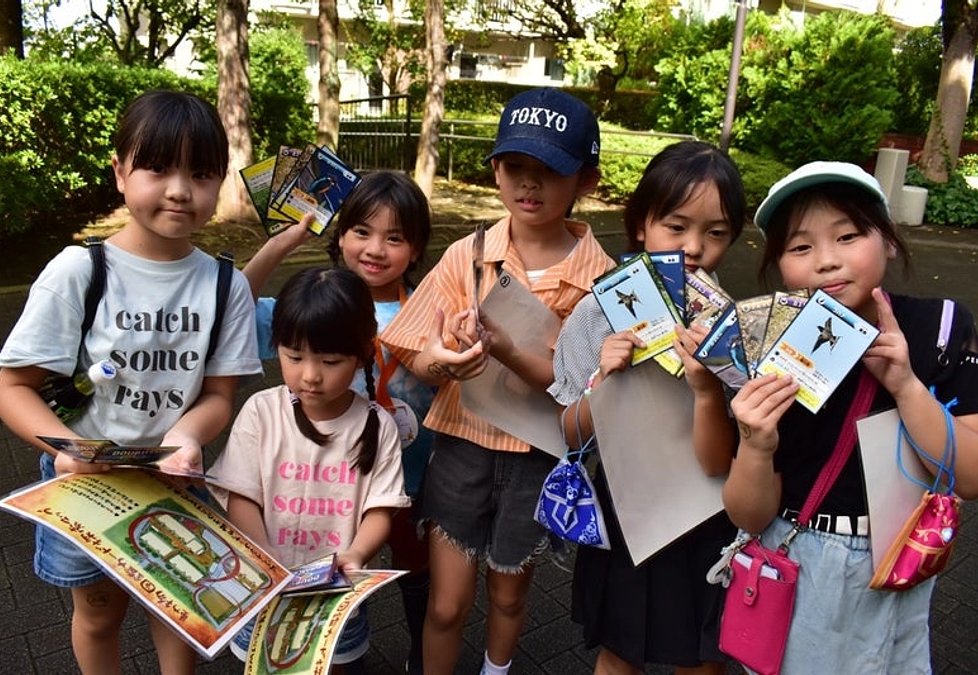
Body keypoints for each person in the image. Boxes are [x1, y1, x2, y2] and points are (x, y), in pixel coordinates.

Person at [0, 90, 263, 674]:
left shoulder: (225, 285)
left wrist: (188, 436)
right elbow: (11, 390)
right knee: (98, 614)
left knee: (178, 613)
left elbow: (218, 397)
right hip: (83, 482)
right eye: (157, 167)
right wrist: (70, 451)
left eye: (201, 173)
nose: (179, 189)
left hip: (174, 481)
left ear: (220, 184)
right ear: (119, 172)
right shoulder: (79, 271)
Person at [379, 87, 615, 675]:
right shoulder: (470, 253)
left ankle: (497, 668)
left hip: (537, 456)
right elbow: (413, 347)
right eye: (516, 168)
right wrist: (445, 360)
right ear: (495, 171)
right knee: (447, 602)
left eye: (549, 171)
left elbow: (584, 390)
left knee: (509, 594)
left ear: (585, 180)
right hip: (461, 445)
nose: (529, 185)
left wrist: (507, 351)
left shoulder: (603, 280)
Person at [724, 161, 978, 673]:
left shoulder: (941, 327)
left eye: (848, 235)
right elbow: (748, 516)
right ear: (780, 265)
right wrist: (755, 444)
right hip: (799, 559)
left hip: (902, 557)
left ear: (887, 239)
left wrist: (906, 385)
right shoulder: (772, 349)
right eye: (800, 247)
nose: (826, 261)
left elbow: (969, 476)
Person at [548, 141, 746, 675]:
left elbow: (724, 459)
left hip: (707, 512)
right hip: (626, 507)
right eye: (676, 226)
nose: (694, 247)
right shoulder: (597, 311)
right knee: (619, 652)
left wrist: (707, 388)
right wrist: (603, 383)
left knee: (702, 657)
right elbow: (567, 433)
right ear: (640, 224)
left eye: (716, 232)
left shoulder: (734, 326)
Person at [242, 170, 436, 674]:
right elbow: (234, 306)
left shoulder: (431, 310)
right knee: (346, 571)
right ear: (340, 234)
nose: (375, 249)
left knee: (417, 571)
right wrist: (282, 246)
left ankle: (421, 651)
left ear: (416, 249)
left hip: (410, 476)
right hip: (328, 490)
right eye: (361, 231)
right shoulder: (312, 303)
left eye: (394, 237)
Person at [208, 265, 409, 671]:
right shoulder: (262, 412)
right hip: (263, 591)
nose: (311, 376)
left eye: (331, 360)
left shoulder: (378, 425)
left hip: (335, 600)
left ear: (362, 355)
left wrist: (355, 553)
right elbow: (241, 495)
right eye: (294, 357)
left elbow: (380, 510)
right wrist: (265, 557)